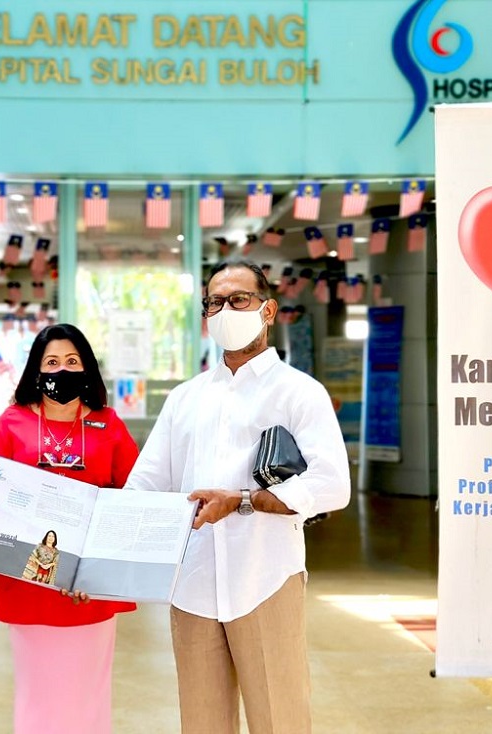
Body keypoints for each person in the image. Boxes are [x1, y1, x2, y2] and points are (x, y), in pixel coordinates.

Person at [126, 259, 351, 734]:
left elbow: (332, 484)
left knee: (280, 719)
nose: (225, 309)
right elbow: (143, 486)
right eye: (214, 302)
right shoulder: (185, 398)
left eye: (239, 299)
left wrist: (243, 500)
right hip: (192, 584)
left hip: (264, 579)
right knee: (202, 722)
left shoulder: (298, 393)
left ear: (268, 310)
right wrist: (94, 550)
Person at [0, 323, 139, 734]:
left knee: (88, 693)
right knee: (38, 692)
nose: (62, 370)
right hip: (29, 584)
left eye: (72, 362)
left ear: (87, 369)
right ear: (36, 371)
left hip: (87, 588)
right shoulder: (12, 422)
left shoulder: (109, 424)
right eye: (52, 362)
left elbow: (133, 496)